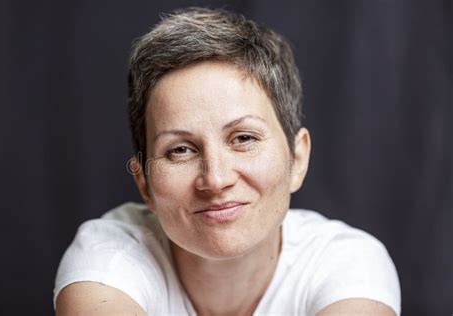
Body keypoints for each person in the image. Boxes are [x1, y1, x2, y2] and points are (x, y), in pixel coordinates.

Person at [53, 7, 401, 316]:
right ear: (143, 181)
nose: (216, 180)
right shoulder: (109, 257)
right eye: (181, 150)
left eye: (244, 138)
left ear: (297, 159)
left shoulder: (347, 263)